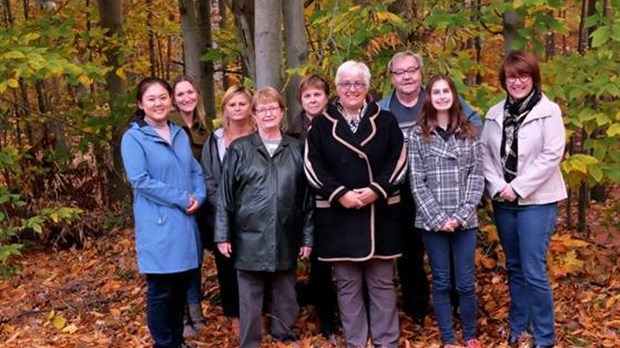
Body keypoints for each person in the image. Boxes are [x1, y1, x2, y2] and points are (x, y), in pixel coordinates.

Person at [304, 60, 406, 348]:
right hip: (339, 216)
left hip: (380, 215)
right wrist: (340, 194)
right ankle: (356, 343)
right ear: (337, 88)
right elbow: (313, 167)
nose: (352, 89)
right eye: (346, 84)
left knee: (382, 284)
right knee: (348, 287)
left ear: (367, 87)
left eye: (358, 83)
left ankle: (387, 342)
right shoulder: (321, 125)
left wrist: (376, 190)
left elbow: (397, 162)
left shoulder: (386, 120)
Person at [378, 50, 483, 325]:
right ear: (392, 78)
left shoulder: (438, 97)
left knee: (449, 252)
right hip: (402, 192)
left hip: (442, 189)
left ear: (420, 72)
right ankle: (417, 308)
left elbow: (474, 124)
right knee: (410, 254)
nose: (406, 76)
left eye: (411, 70)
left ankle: (456, 305)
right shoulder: (383, 108)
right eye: (399, 72)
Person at [214, 87, 313, 348]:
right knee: (249, 295)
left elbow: (308, 199)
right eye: (262, 109)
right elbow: (225, 195)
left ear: (282, 112)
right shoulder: (240, 149)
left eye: (273, 108)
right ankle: (250, 342)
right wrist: (222, 234)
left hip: (286, 232)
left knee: (285, 292)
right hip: (248, 235)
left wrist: (307, 237)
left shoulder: (296, 148)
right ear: (254, 115)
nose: (268, 113)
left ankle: (284, 335)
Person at [480, 51, 566, 348]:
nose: (517, 82)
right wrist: (499, 186)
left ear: (533, 77)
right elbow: (486, 156)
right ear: (504, 80)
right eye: (511, 77)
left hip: (537, 200)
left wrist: (518, 187)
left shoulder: (548, 111)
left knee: (533, 268)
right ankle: (519, 329)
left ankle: (544, 337)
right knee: (514, 266)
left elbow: (552, 154)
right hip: (503, 200)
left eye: (523, 75)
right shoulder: (493, 113)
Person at [121, 77, 206, 348]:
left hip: (185, 221)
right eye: (151, 99)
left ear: (170, 101)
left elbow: (194, 170)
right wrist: (183, 198)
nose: (158, 103)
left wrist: (199, 196)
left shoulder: (179, 133)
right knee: (161, 290)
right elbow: (141, 180)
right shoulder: (134, 138)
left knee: (181, 286)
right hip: (157, 223)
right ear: (140, 104)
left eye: (162, 97)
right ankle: (164, 343)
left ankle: (177, 341)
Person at [408, 74, 484, 348]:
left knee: (464, 282)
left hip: (465, 219)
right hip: (432, 221)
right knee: (441, 281)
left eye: (446, 91)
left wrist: (461, 215)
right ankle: (449, 338)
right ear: (429, 97)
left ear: (454, 95)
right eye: (436, 92)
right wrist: (439, 219)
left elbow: (477, 177)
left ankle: (470, 334)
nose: (441, 96)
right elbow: (416, 181)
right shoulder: (417, 136)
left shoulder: (470, 132)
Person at [199, 85, 255, 337]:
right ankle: (235, 316)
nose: (237, 108)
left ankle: (258, 312)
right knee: (227, 267)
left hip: (256, 214)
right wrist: (222, 205)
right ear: (225, 109)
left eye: (242, 103)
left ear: (251, 106)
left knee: (256, 266)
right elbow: (209, 177)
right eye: (232, 104)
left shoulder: (260, 133)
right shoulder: (216, 139)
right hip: (222, 214)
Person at [290, 74, 339, 341]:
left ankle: (347, 316)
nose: (312, 99)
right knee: (318, 268)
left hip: (337, 203)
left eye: (317, 95)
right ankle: (326, 322)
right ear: (301, 100)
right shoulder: (293, 131)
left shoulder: (339, 125)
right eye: (307, 96)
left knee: (343, 266)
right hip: (308, 208)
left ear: (326, 97)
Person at [170, 75, 211, 337]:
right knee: (179, 262)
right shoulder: (168, 126)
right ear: (174, 98)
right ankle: (181, 315)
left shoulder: (204, 128)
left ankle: (195, 310)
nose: (186, 98)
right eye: (180, 94)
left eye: (190, 92)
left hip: (202, 202)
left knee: (195, 259)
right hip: (176, 204)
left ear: (197, 94)